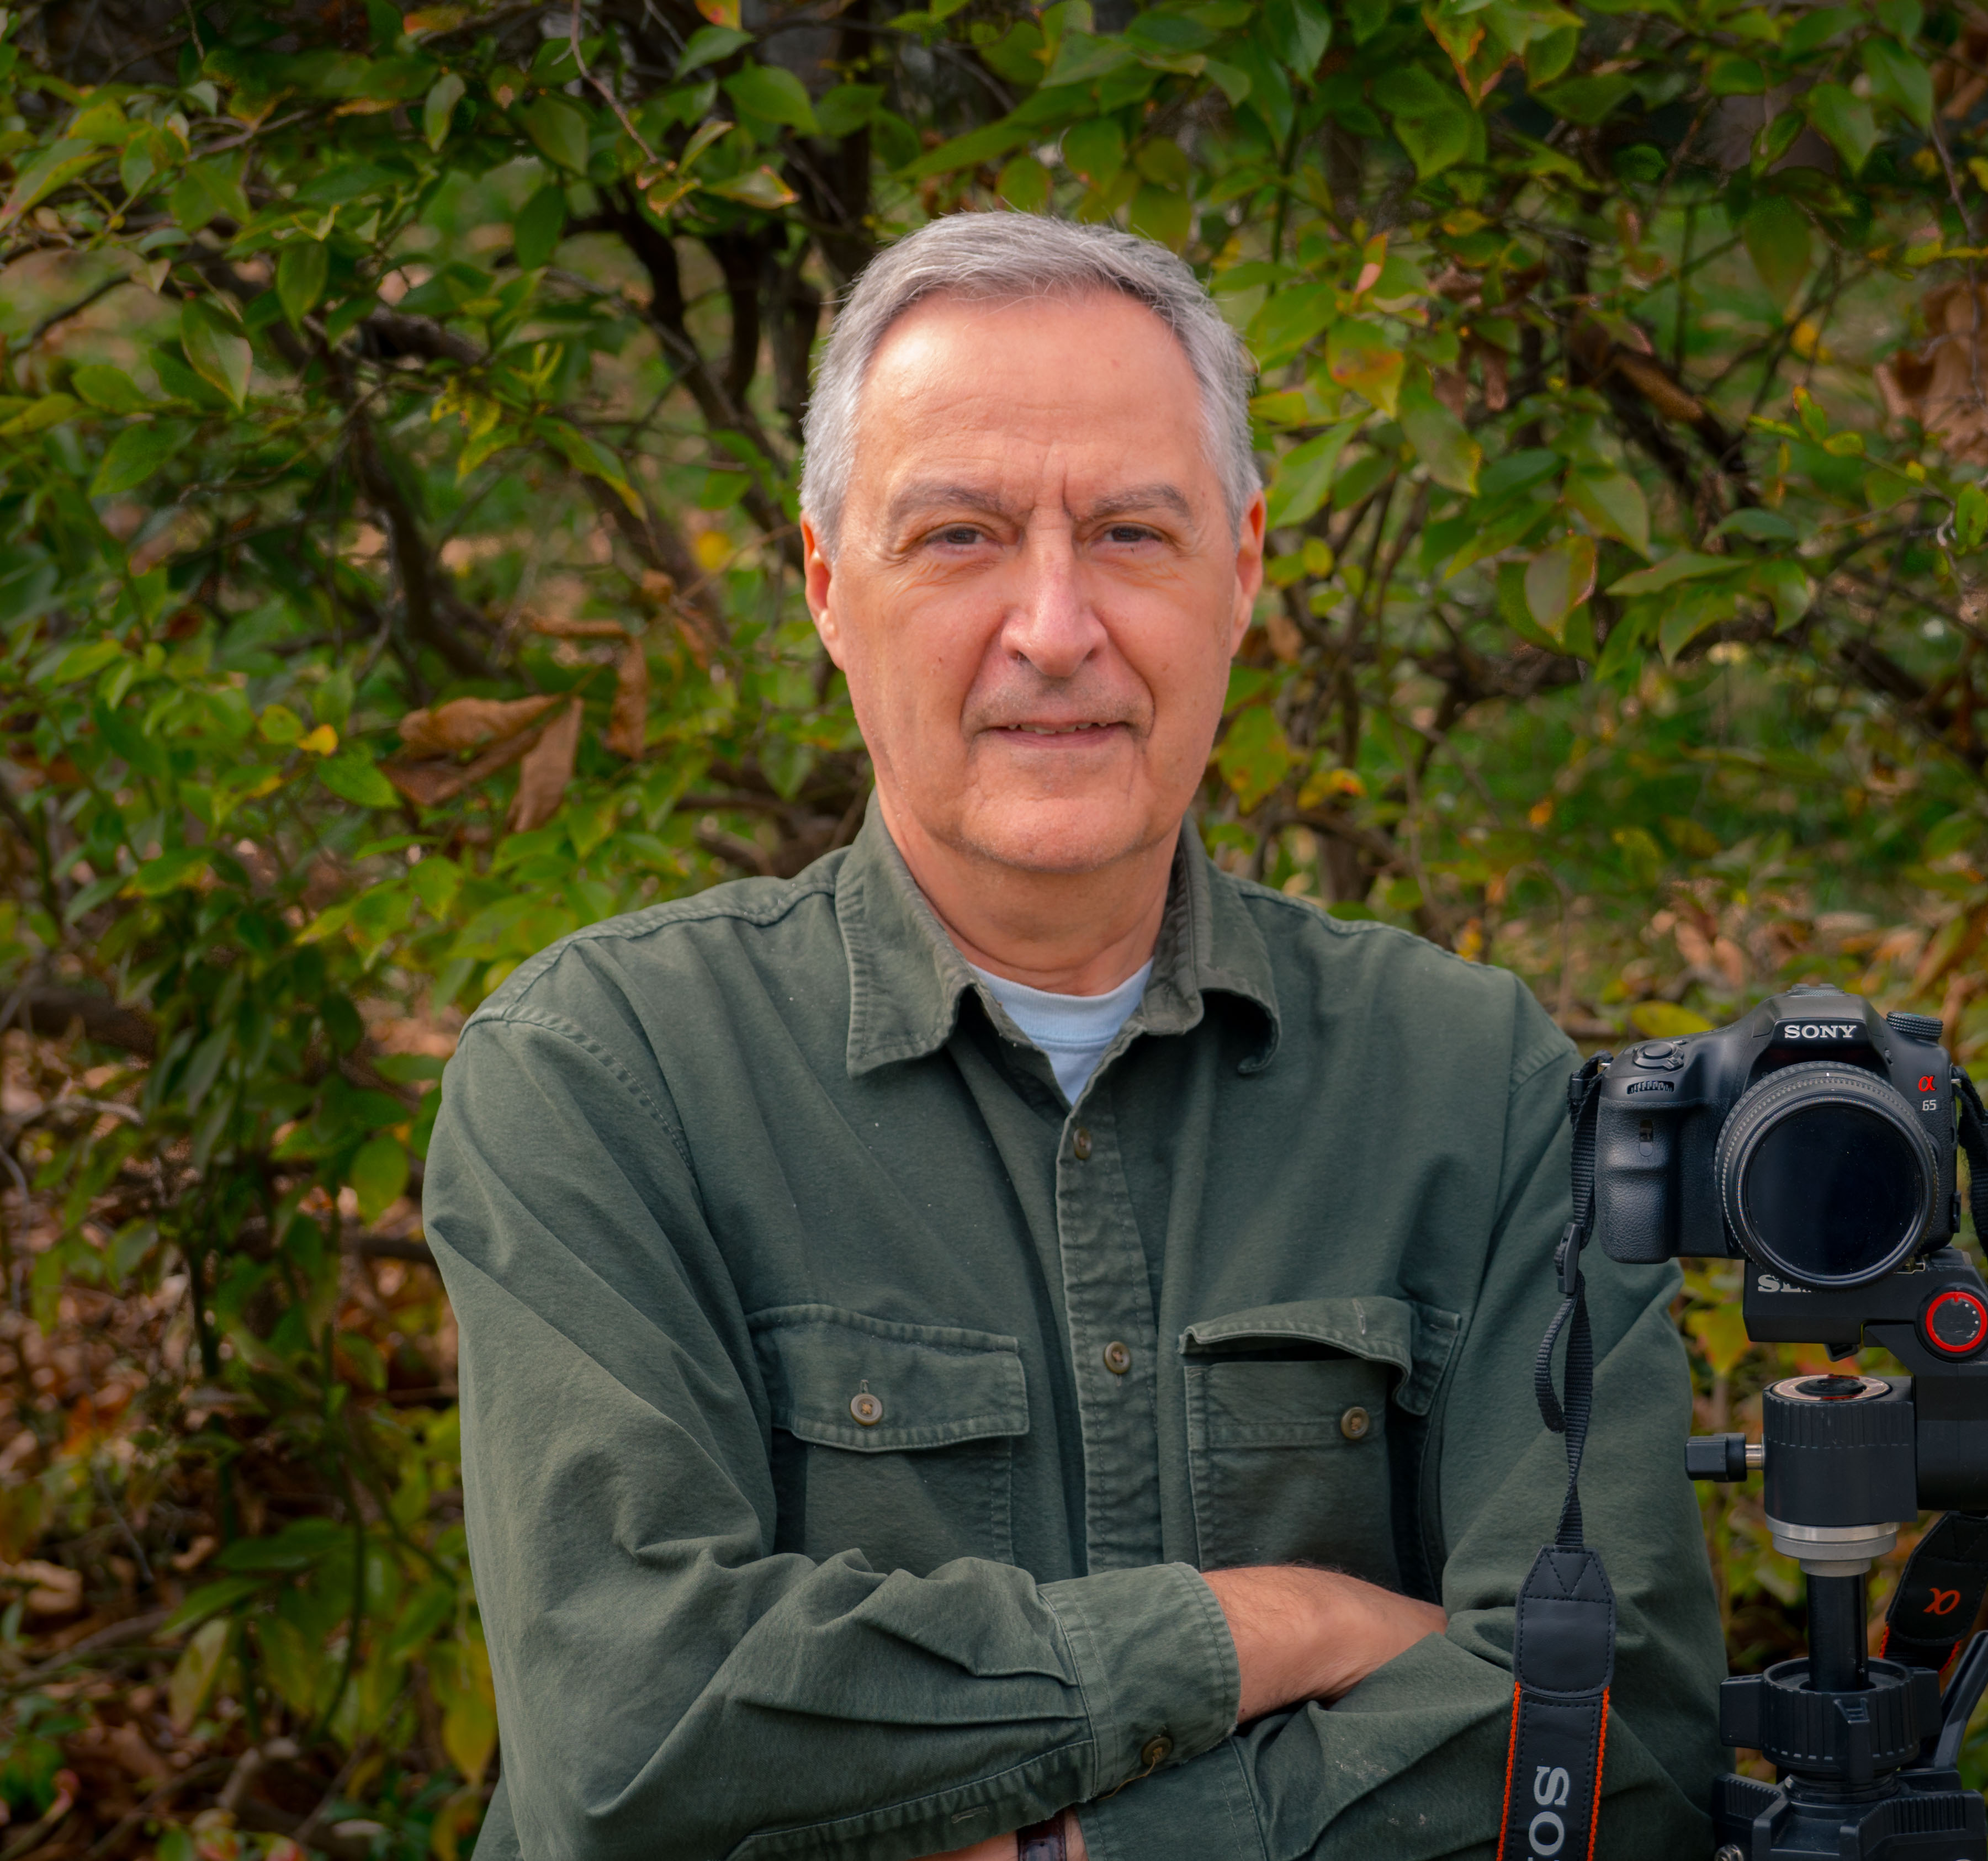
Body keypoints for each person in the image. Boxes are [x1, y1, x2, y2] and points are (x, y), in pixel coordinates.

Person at [423, 211, 1724, 1861]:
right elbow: (635, 1739)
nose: (1054, 626)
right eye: (961, 535)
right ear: (831, 587)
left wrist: (1090, 1848)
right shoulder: (607, 1082)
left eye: (1128, 532)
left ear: (1242, 570)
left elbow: (1627, 1739)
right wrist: (1277, 1628)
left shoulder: (1478, 1087)